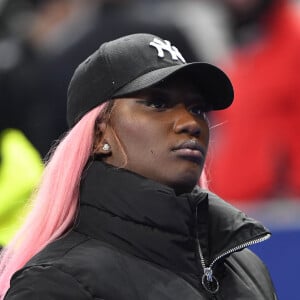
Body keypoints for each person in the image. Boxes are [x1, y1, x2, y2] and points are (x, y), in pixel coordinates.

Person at [0, 33, 277, 299]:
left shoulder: (246, 269)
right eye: (157, 104)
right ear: (99, 135)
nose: (191, 124)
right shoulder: (55, 284)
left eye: (197, 108)